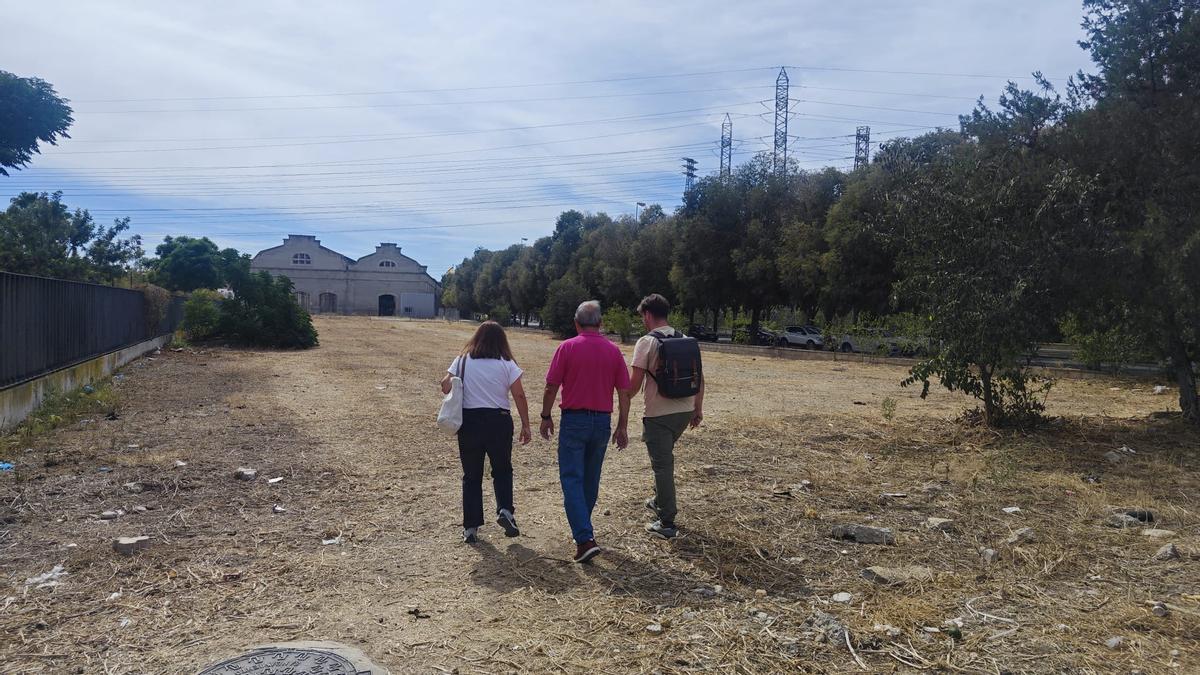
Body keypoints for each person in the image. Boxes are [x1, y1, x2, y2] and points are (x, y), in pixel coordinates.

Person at [539, 300, 631, 563]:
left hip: (574, 420)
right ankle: (584, 531)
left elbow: (551, 386)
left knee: (571, 479)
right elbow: (624, 392)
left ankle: (584, 539)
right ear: (601, 324)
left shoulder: (567, 347)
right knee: (590, 481)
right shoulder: (614, 352)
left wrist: (546, 416)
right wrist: (622, 425)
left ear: (576, 323)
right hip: (602, 422)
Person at [441, 321, 532, 544]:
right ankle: (505, 511)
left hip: (469, 422)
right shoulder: (507, 363)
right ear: (502, 341)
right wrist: (526, 424)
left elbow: (445, 385)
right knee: (502, 469)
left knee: (471, 475)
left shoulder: (462, 360)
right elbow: (519, 395)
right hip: (498, 421)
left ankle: (471, 528)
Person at [628, 294, 704, 540]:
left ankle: (667, 521)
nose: (643, 321)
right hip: (683, 411)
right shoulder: (685, 339)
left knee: (662, 466)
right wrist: (697, 409)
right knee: (664, 458)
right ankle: (659, 500)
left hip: (658, 415)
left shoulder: (646, 343)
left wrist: (619, 396)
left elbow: (633, 385)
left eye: (642, 317)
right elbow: (700, 378)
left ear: (648, 315)